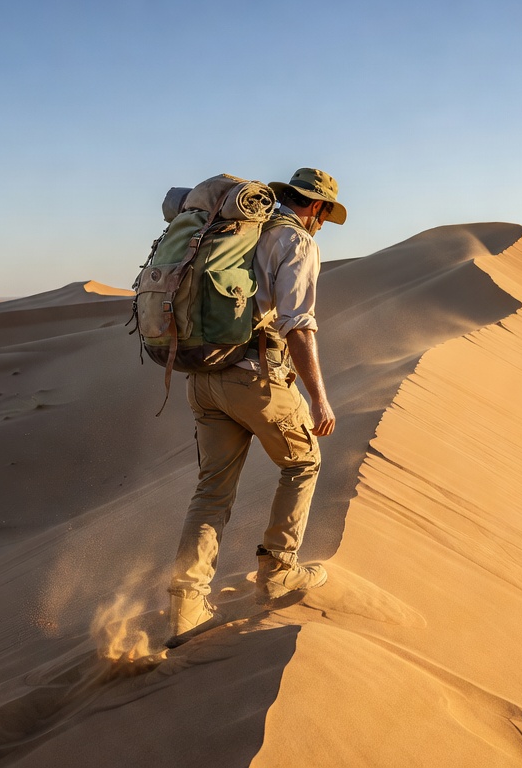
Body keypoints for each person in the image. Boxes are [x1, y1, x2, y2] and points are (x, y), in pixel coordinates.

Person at [165, 168, 347, 647]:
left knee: (212, 491)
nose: (323, 224)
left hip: (201, 377)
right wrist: (319, 397)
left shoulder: (237, 230)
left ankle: (186, 605)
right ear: (318, 207)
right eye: (325, 215)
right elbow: (298, 324)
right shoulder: (296, 242)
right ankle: (278, 571)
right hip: (255, 377)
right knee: (304, 462)